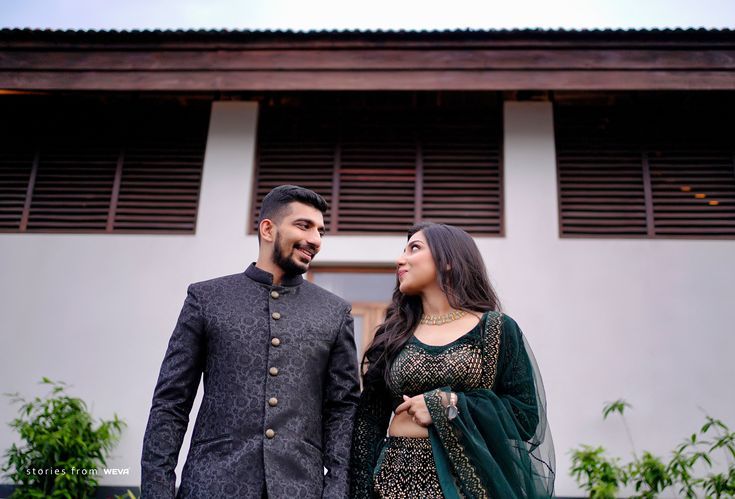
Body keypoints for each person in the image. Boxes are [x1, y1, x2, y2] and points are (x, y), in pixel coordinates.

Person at [141, 185, 360, 498]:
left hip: (300, 489)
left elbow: (343, 409)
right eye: (303, 226)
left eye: (320, 231)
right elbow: (170, 404)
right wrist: (157, 492)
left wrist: (337, 491)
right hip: (211, 486)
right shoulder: (207, 299)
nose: (315, 240)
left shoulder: (335, 312)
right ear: (268, 229)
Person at [350, 222, 555, 498]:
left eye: (414, 248)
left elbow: (525, 416)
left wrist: (447, 404)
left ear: (447, 260)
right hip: (392, 481)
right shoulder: (393, 334)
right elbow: (368, 425)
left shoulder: (495, 329)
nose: (400, 259)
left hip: (467, 485)